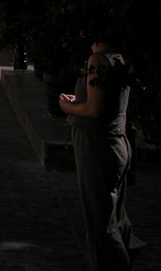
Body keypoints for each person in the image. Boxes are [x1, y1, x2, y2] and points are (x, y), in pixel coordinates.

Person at [59, 37, 142, 270]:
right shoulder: (119, 58)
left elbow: (94, 110)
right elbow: (105, 102)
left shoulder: (99, 59)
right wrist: (80, 101)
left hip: (97, 144)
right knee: (116, 216)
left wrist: (68, 107)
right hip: (116, 144)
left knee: (101, 223)